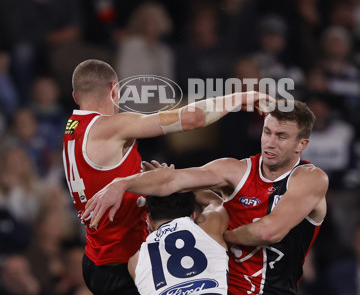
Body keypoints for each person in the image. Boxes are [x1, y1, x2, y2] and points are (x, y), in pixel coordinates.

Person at [64, 59, 272, 295]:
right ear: (115, 90)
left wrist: (139, 180)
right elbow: (192, 118)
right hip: (126, 263)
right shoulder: (111, 127)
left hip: (96, 259)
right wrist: (241, 97)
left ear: (75, 97)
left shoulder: (72, 129)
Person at [83, 100, 328, 295]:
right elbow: (172, 179)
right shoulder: (235, 170)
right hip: (221, 288)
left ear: (301, 144)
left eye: (281, 136)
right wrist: (122, 183)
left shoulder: (310, 179)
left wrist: (220, 236)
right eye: (267, 132)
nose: (270, 143)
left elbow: (268, 232)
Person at [129, 190, 229, 295]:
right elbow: (217, 202)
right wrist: (179, 183)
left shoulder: (135, 262)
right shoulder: (210, 227)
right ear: (193, 215)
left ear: (149, 220)